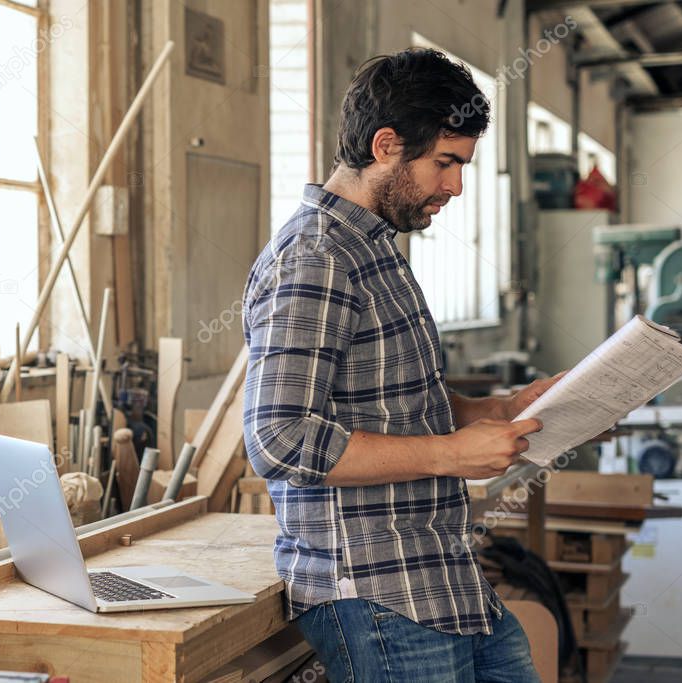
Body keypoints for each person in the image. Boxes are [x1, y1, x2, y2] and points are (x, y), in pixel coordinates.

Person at [241, 48, 561, 682]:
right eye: (445, 163)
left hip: (444, 574)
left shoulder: (377, 251)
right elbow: (278, 439)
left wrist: (503, 411)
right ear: (386, 145)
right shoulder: (316, 259)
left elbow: (400, 405)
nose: (455, 186)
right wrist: (450, 454)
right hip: (376, 589)